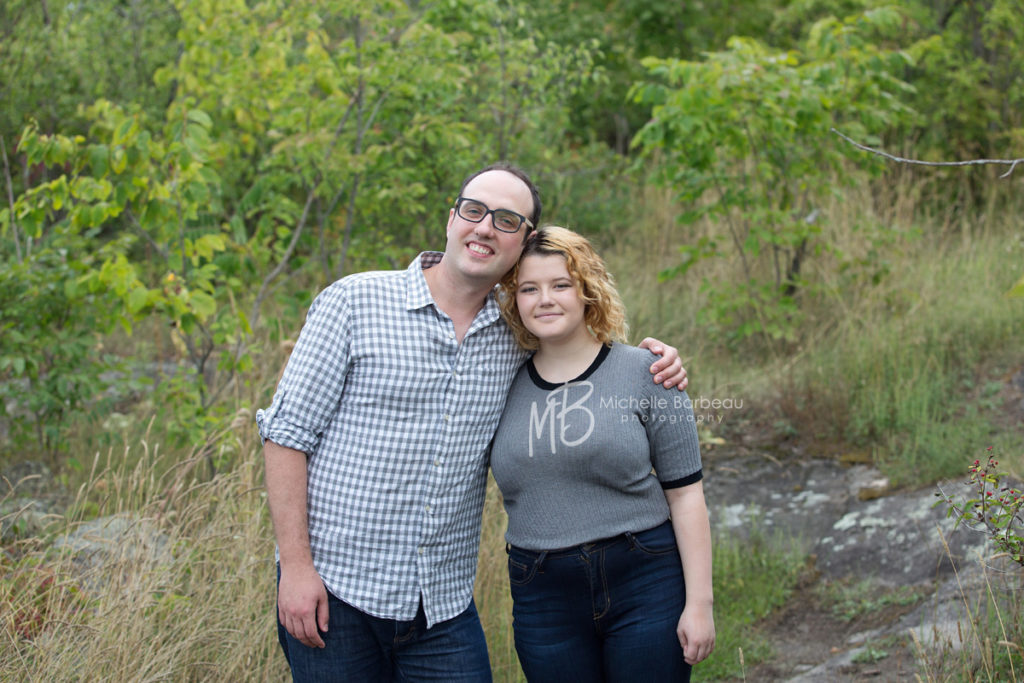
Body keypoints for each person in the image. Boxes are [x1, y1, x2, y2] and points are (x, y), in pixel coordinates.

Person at [256, 162, 689, 682]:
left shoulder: (517, 335)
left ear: (523, 241)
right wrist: (297, 569)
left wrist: (655, 360)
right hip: (336, 592)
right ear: (451, 218)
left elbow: (583, 353)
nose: (485, 227)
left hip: (440, 608)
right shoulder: (354, 302)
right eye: (474, 210)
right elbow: (286, 435)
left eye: (507, 220)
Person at [490, 226, 715, 682]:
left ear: (587, 291)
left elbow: (686, 495)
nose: (544, 299)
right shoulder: (497, 383)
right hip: (542, 595)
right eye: (529, 289)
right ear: (515, 300)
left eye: (561, 285)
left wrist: (700, 604)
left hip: (645, 580)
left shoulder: (647, 372)